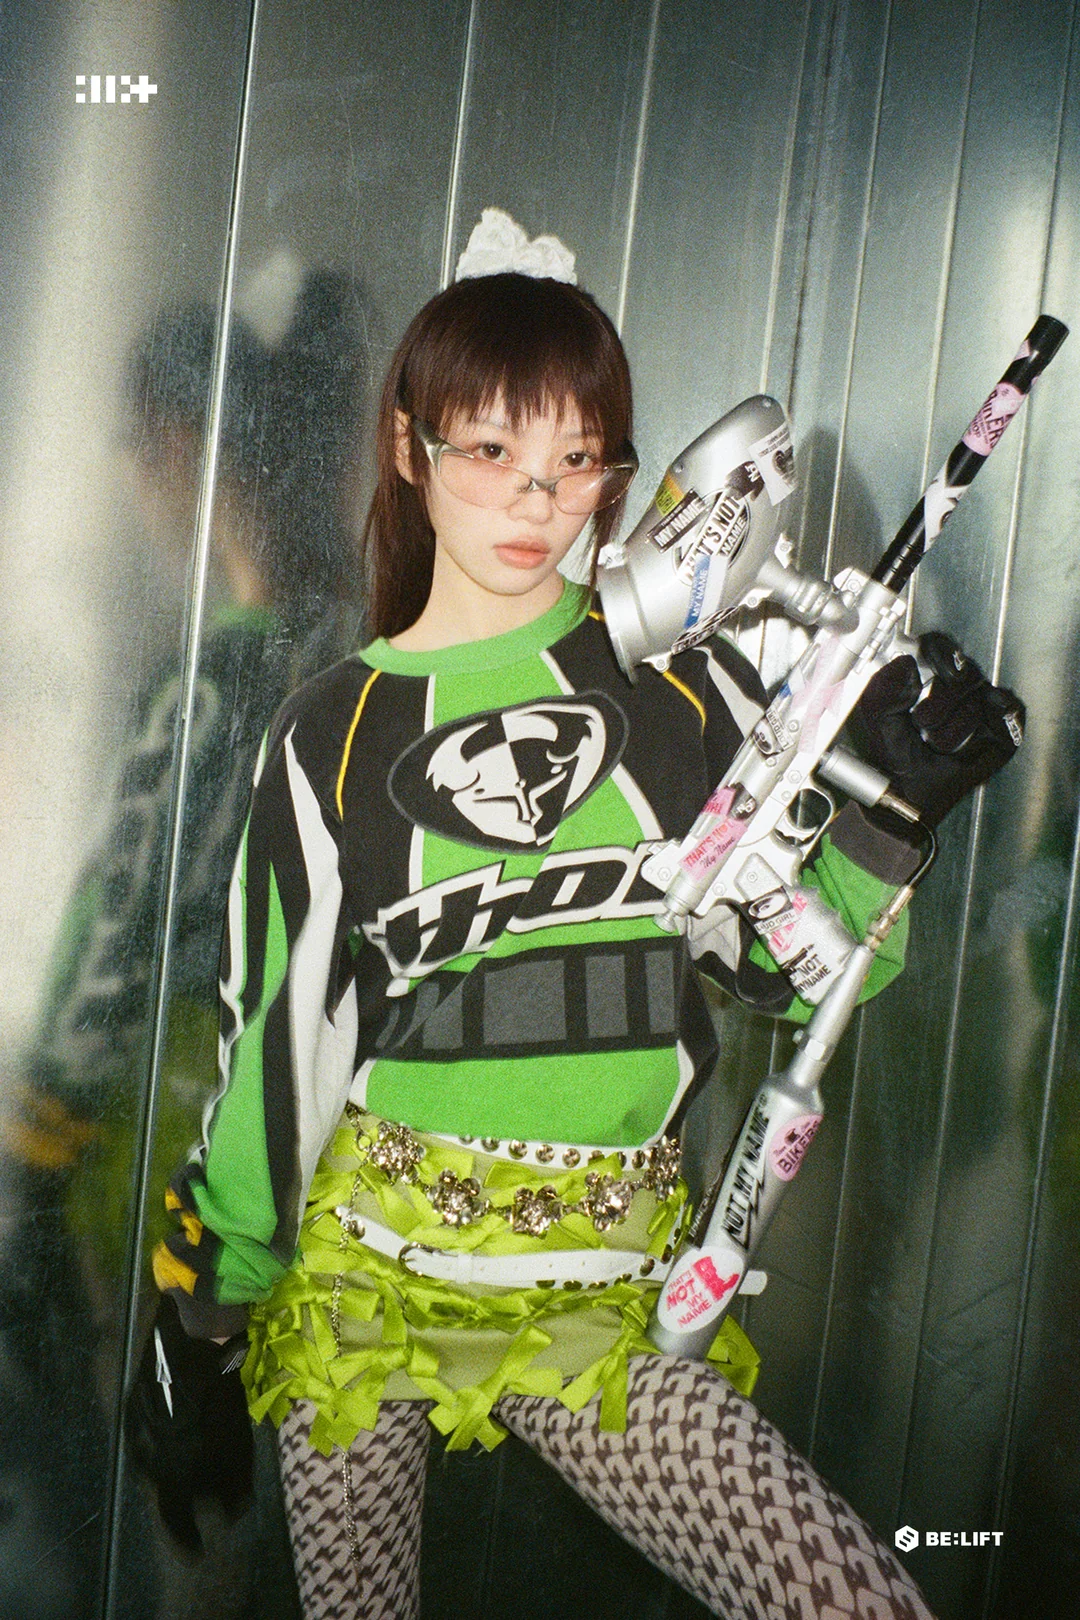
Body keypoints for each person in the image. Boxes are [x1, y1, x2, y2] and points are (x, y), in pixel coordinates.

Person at [127, 214, 1023, 1619]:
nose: (535, 501)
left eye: (576, 460)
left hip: (594, 1302)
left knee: (856, 1601)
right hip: (366, 1283)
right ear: (411, 448)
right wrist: (202, 1314)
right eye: (492, 450)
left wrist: (893, 815)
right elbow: (283, 1046)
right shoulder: (332, 733)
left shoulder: (681, 694)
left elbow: (788, 971)